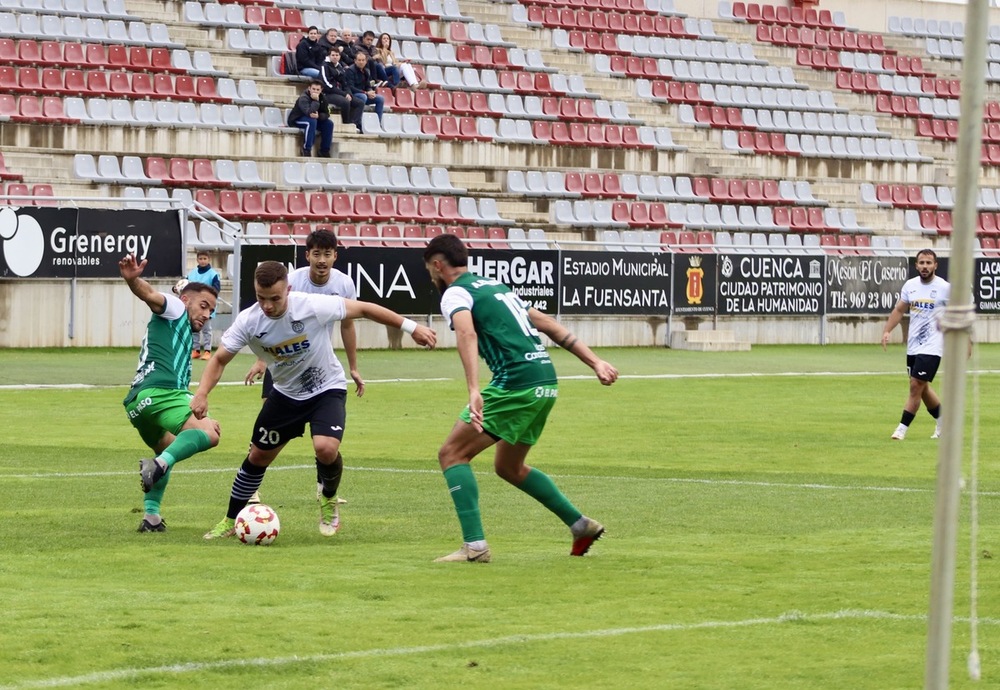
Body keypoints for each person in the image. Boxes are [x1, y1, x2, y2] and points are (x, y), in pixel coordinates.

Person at [196, 260, 436, 540]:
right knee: (258, 457)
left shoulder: (311, 305)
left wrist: (411, 327)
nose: (268, 306)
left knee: (325, 448)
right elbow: (220, 359)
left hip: (327, 389)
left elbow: (365, 309)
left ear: (289, 289)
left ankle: (328, 499)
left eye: (275, 298)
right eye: (262, 298)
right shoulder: (249, 321)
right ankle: (230, 519)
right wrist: (202, 393)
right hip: (286, 395)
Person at [422, 234, 618, 563]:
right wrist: (595, 361)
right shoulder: (496, 287)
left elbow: (467, 332)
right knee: (509, 467)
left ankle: (475, 546)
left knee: (452, 454)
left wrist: (473, 389)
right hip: (544, 382)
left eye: (430, 269)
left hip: (515, 383)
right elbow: (548, 324)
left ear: (438, 265)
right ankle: (580, 525)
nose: (431, 275)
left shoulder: (456, 292)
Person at [244, 229, 364, 534]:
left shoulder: (344, 284)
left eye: (327, 254)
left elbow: (348, 325)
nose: (321, 260)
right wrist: (261, 359)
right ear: (307, 255)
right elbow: (266, 320)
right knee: (267, 425)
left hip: (317, 366)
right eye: (316, 254)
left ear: (335, 256)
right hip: (282, 363)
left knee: (323, 442)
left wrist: (353, 366)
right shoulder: (293, 280)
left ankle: (323, 488)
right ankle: (252, 489)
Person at [119, 253, 222, 533]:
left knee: (168, 447)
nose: (206, 314)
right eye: (203, 306)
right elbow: (151, 295)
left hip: (137, 404)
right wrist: (133, 280)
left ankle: (151, 517)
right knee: (209, 433)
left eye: (211, 311)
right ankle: (158, 465)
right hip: (162, 392)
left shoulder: (179, 329)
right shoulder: (176, 308)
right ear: (187, 300)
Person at [881, 248, 951, 440]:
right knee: (922, 387)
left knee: (915, 385)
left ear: (935, 265)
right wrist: (887, 330)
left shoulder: (945, 288)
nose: (925, 266)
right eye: (922, 263)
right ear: (916, 265)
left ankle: (901, 429)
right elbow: (898, 310)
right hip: (914, 346)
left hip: (933, 346)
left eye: (929, 263)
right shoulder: (910, 286)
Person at [186, 250, 221, 361]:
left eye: (205, 259)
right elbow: (185, 286)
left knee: (206, 329)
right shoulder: (192, 273)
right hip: (194, 307)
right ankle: (195, 350)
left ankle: (207, 351)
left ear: (209, 260)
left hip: (207, 307)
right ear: (197, 260)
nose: (202, 261)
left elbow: (216, 289)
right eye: (200, 259)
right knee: (194, 328)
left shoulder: (213, 274)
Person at [320, 48, 364, 132]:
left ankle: (354, 124)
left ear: (339, 57)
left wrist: (348, 93)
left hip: (340, 92)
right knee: (345, 102)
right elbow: (326, 85)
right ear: (329, 56)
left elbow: (345, 83)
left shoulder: (340, 67)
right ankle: (346, 124)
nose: (335, 57)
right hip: (327, 94)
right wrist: (344, 94)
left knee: (360, 103)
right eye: (333, 55)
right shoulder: (324, 66)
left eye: (337, 55)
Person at [287, 81, 334, 157]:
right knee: (311, 122)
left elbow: (327, 113)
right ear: (309, 88)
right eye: (313, 89)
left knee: (329, 124)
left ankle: (324, 151)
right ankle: (306, 149)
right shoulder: (303, 98)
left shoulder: (323, 98)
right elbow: (309, 112)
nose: (315, 91)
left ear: (321, 90)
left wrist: (319, 116)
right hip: (297, 119)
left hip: (314, 119)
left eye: (317, 89)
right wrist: (315, 100)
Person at [344, 52, 384, 130]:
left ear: (366, 61)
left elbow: (368, 86)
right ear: (355, 61)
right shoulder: (350, 70)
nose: (361, 62)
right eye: (359, 60)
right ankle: (358, 123)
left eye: (363, 60)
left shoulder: (366, 71)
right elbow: (350, 87)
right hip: (353, 94)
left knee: (380, 99)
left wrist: (371, 91)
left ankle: (377, 123)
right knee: (363, 97)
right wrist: (366, 92)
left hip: (364, 94)